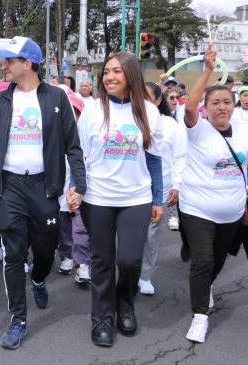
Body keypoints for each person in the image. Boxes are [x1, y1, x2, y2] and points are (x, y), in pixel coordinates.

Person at [0, 36, 86, 349]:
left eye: (9, 60)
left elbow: (73, 146)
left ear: (28, 63)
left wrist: (78, 183)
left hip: (45, 188)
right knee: (13, 253)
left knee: (46, 251)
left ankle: (38, 278)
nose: (4, 66)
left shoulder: (57, 98)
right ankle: (18, 319)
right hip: (9, 187)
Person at [77, 52, 163, 347]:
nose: (109, 77)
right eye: (107, 72)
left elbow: (154, 160)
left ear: (131, 75)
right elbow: (78, 154)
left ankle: (125, 304)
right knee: (101, 261)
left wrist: (158, 199)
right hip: (98, 196)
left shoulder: (149, 113)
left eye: (117, 72)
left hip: (136, 197)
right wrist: (74, 186)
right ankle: (102, 318)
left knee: (129, 260)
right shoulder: (91, 110)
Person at [180, 44, 248, 344]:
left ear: (233, 106)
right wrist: (207, 71)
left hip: (232, 211)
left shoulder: (244, 132)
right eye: (216, 102)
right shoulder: (198, 129)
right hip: (197, 208)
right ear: (207, 108)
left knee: (218, 260)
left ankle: (205, 286)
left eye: (227, 102)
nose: (222, 107)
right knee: (203, 260)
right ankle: (199, 316)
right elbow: (190, 106)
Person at [138, 82, 186, 296]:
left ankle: (144, 276)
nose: (144, 101)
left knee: (152, 234)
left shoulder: (170, 124)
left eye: (149, 98)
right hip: (130, 189)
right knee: (129, 236)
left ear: (159, 101)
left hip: (159, 188)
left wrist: (176, 184)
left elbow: (179, 156)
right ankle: (127, 272)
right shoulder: (127, 119)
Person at [56, 86, 92, 285]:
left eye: (76, 112)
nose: (72, 116)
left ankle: (82, 264)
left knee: (81, 226)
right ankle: (66, 256)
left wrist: (77, 185)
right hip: (59, 189)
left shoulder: (86, 131)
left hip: (81, 186)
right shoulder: (55, 133)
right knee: (63, 226)